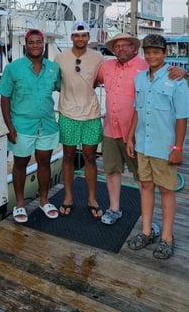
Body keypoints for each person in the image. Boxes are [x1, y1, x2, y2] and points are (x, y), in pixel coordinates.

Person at [95, 33, 187, 225]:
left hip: (140, 135)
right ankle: (114, 209)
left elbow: (168, 74)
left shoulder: (146, 66)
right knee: (112, 170)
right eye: (117, 46)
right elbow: (90, 80)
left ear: (134, 48)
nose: (120, 49)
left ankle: (150, 221)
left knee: (146, 180)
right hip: (111, 129)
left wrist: (185, 72)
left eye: (125, 45)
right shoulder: (106, 66)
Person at [126, 34, 189, 259]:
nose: (151, 56)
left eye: (156, 52)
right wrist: (130, 137)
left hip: (165, 145)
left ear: (164, 53)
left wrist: (178, 148)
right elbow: (137, 110)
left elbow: (182, 118)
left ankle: (167, 237)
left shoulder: (177, 80)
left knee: (166, 190)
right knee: (145, 186)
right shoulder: (140, 79)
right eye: (148, 52)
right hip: (143, 143)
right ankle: (146, 231)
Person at [0, 29, 61, 223]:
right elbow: (5, 98)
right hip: (21, 125)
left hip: (47, 124)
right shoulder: (13, 68)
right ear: (26, 44)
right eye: (31, 42)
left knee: (44, 162)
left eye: (39, 42)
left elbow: (64, 88)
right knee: (20, 164)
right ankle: (19, 204)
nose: (35, 45)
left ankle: (44, 201)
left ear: (44, 44)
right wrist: (9, 127)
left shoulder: (53, 68)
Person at [54, 21, 104, 219]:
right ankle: (68, 197)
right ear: (71, 37)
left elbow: (103, 78)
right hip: (67, 114)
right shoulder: (60, 57)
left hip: (91, 115)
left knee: (90, 158)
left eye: (84, 35)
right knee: (68, 156)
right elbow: (56, 82)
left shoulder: (98, 57)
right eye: (77, 35)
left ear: (88, 38)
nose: (80, 39)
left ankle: (92, 199)